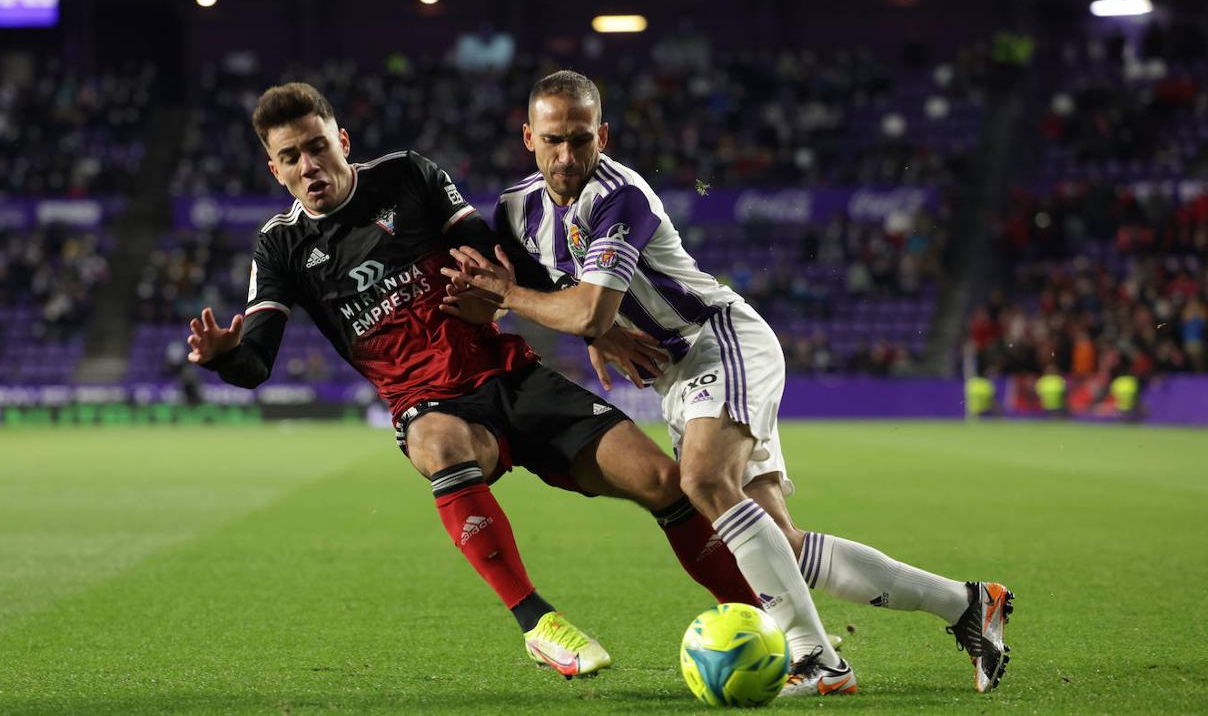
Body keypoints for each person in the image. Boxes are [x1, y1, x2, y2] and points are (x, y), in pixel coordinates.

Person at [443, 70, 1014, 696]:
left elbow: (576, 307)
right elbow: (557, 296)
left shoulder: (618, 196)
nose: (568, 155)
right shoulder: (516, 209)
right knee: (780, 545)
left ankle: (819, 661)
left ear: (602, 136)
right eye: (554, 139)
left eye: (581, 139)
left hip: (722, 343)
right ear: (529, 137)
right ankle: (967, 605)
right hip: (679, 377)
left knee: (702, 481)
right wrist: (588, 332)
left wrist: (550, 310)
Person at [185, 82, 757, 680]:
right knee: (440, 447)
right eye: (291, 158)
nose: (310, 166)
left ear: (342, 141)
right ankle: (537, 622)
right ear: (274, 170)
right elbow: (255, 363)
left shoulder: (407, 174)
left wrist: (590, 325)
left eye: (317, 146)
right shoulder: (280, 245)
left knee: (666, 483)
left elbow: (495, 255)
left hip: (508, 371)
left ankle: (756, 621)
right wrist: (225, 356)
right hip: (427, 401)